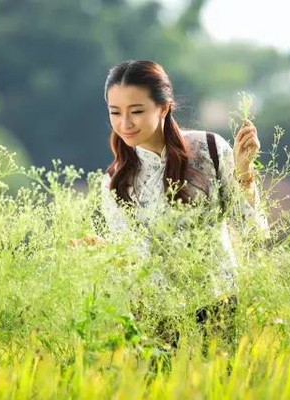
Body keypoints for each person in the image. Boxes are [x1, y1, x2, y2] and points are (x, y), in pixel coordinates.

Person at [99, 59, 269, 348]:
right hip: (153, 314)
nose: (124, 124)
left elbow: (254, 231)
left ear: (163, 107)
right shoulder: (115, 180)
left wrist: (244, 172)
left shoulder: (210, 149)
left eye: (136, 111)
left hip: (217, 302)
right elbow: (126, 258)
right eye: (115, 113)